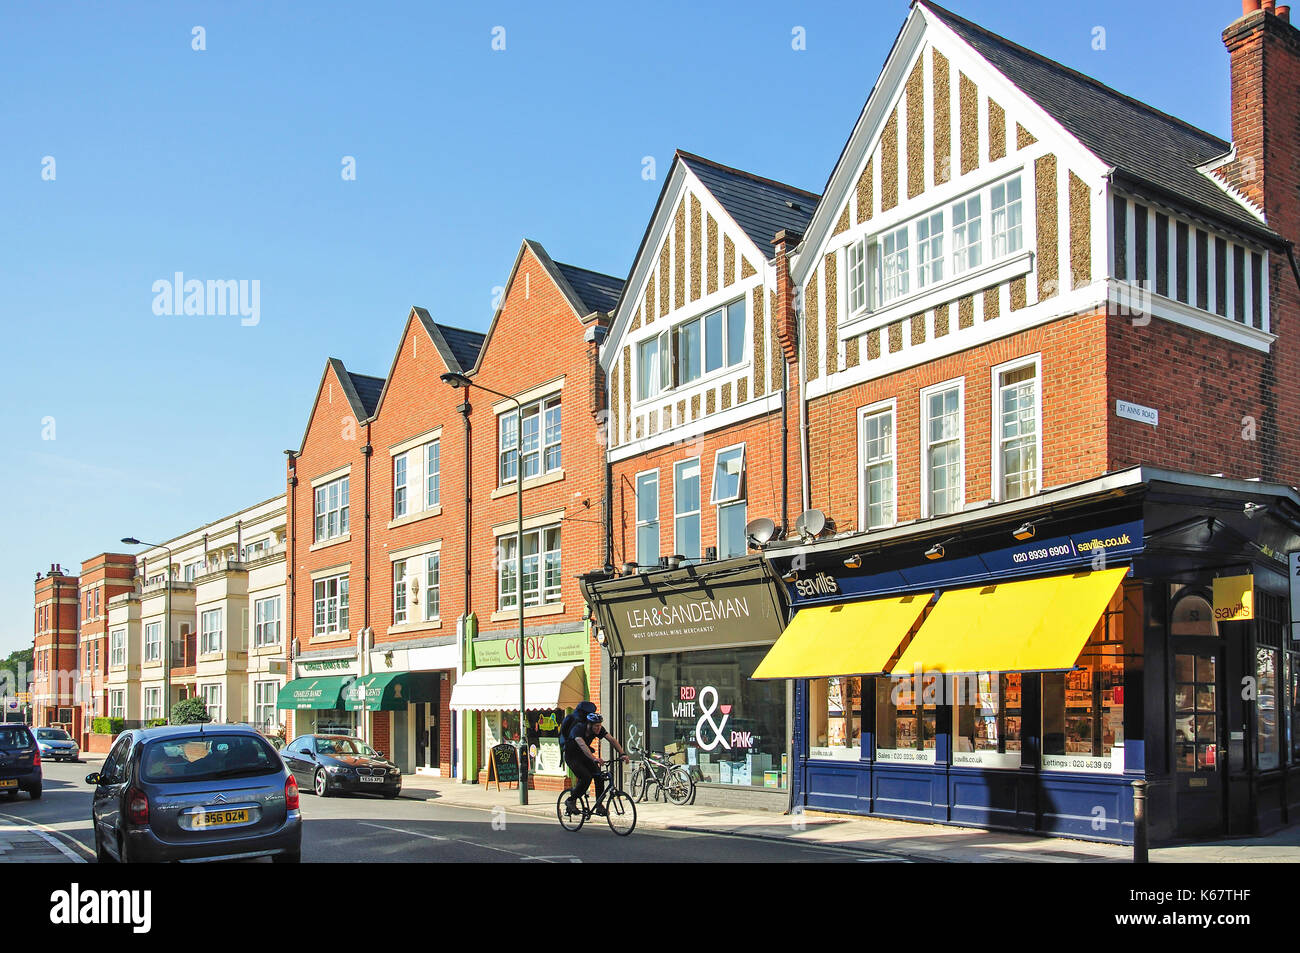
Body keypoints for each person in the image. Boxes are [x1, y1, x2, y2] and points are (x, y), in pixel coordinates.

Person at [564, 712, 628, 817]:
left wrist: (622, 753)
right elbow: (582, 744)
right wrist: (594, 759)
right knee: (586, 777)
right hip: (572, 757)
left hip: (585, 756)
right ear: (589, 725)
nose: (598, 728)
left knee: (599, 777)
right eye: (596, 726)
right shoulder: (578, 729)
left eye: (600, 725)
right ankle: (571, 800)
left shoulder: (599, 730)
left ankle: (599, 805)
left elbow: (611, 740)